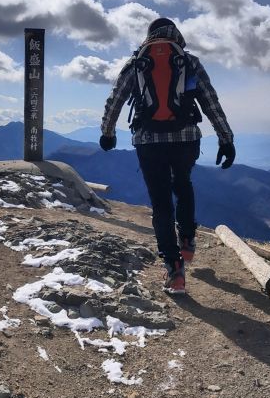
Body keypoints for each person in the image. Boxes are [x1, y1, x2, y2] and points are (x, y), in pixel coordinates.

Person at [99, 17, 235, 295]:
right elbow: (210, 102)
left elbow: (116, 98)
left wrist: (108, 132)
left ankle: (175, 272)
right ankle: (187, 239)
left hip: (149, 142)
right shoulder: (189, 62)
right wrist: (226, 139)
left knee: (161, 203)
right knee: (183, 184)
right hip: (186, 140)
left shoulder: (138, 62)